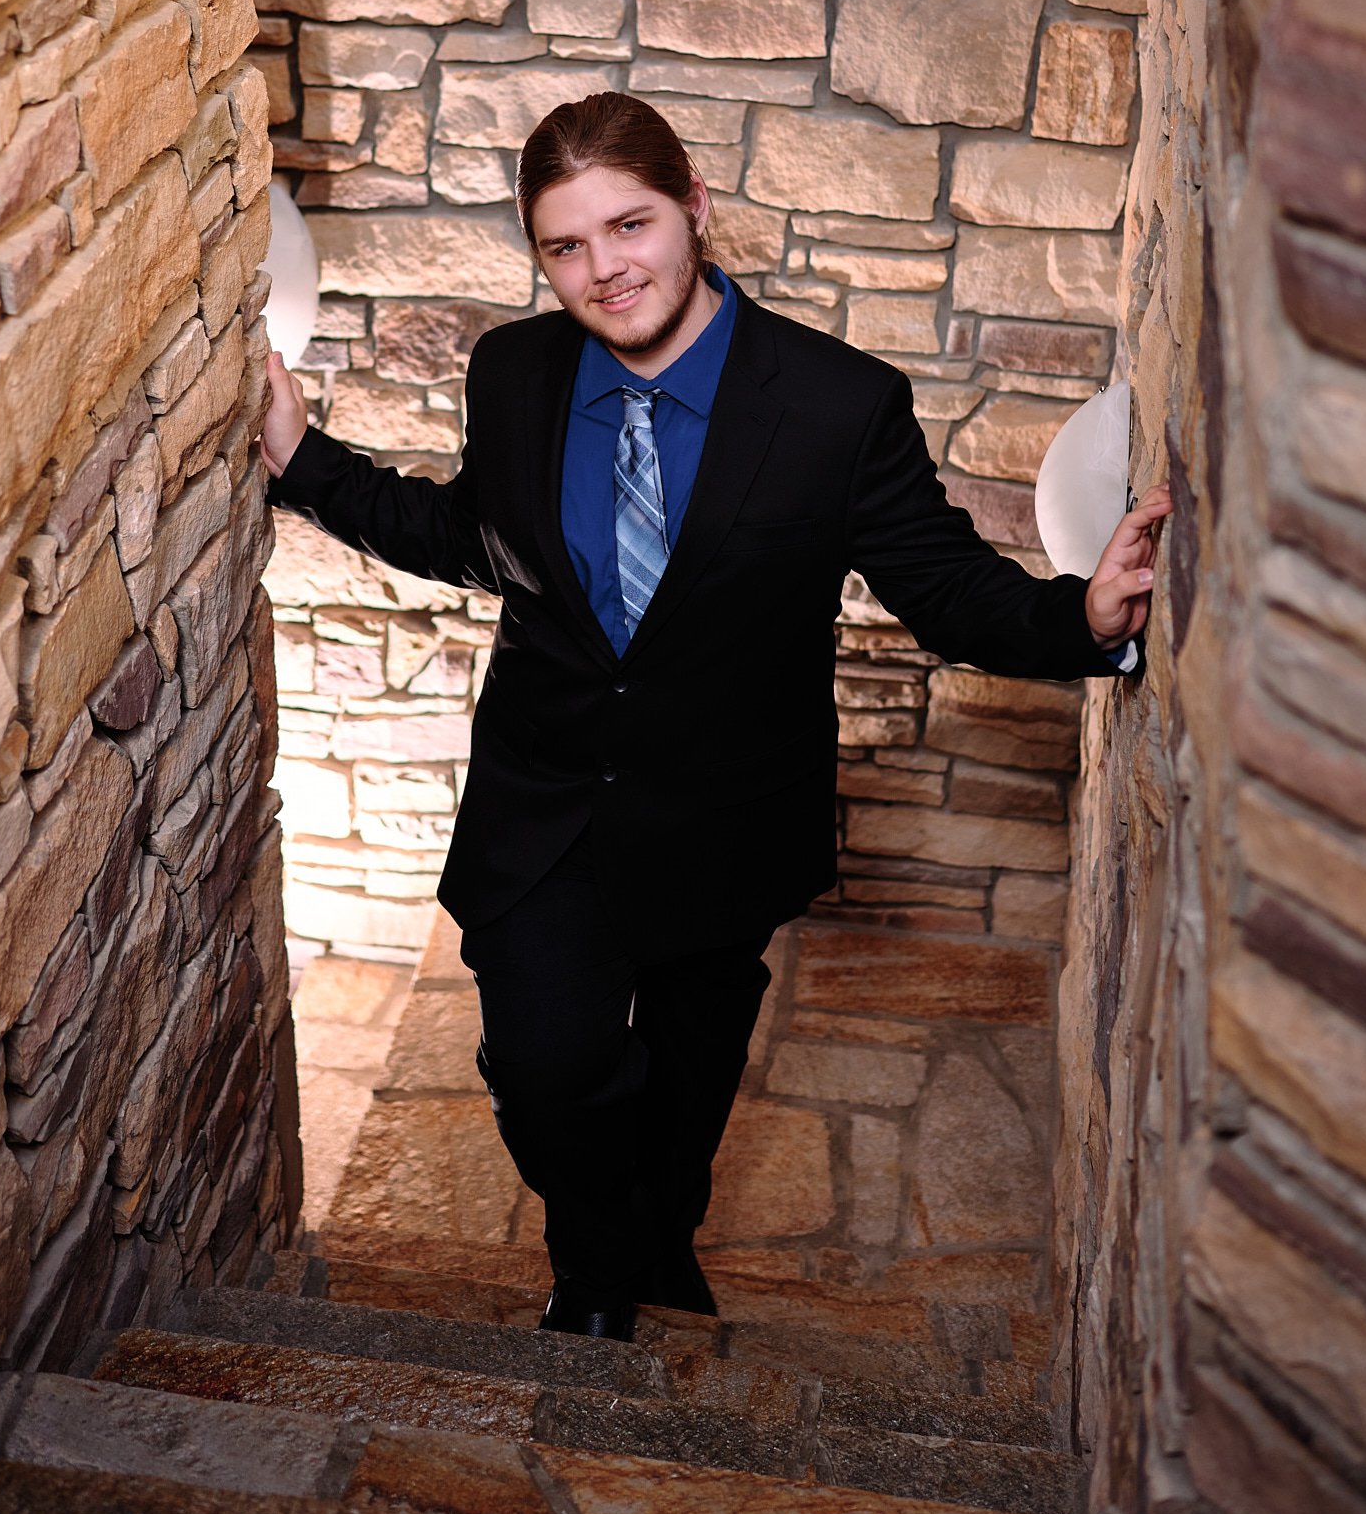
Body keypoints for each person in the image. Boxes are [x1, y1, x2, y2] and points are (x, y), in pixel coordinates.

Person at [262, 92, 1168, 1341]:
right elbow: (479, 538)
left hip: (725, 823)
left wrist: (1087, 621)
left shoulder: (838, 405)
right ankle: (595, 1269)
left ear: (693, 208)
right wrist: (304, 462)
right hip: (548, 814)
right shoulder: (515, 371)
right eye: (564, 247)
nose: (603, 271)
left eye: (628, 226)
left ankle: (654, 1244)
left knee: (687, 1086)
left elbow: (948, 590)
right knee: (543, 1071)